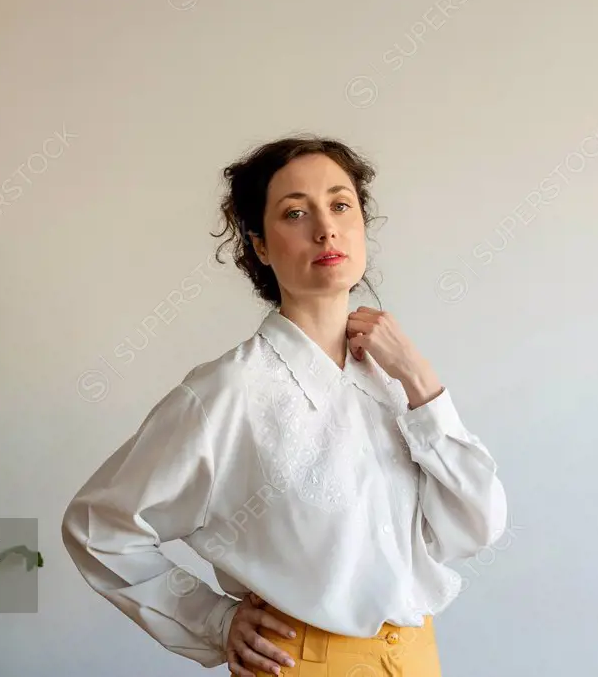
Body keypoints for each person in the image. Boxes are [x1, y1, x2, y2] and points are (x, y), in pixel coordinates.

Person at [62, 135, 508, 677]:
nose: (326, 228)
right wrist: (214, 620)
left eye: (341, 205)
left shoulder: (394, 382)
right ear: (260, 247)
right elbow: (99, 525)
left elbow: (477, 526)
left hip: (416, 659)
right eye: (295, 212)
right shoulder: (228, 392)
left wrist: (420, 381)